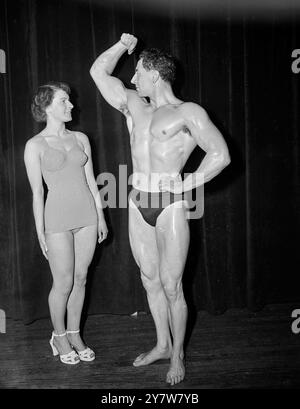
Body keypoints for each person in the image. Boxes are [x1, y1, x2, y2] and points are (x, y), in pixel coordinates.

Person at [90, 33, 230, 385]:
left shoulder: (188, 112)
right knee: (149, 280)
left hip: (169, 204)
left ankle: (179, 353)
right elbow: (98, 72)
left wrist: (187, 183)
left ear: (155, 73)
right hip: (138, 199)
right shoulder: (133, 104)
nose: (132, 78)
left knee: (172, 286)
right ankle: (162, 344)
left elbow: (220, 154)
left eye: (137, 72)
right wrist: (123, 46)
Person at [24, 82, 108, 365]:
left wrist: (101, 216)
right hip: (57, 218)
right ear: (47, 106)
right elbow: (37, 193)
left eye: (69, 100)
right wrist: (40, 232)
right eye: (63, 101)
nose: (70, 105)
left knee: (81, 278)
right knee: (63, 282)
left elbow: (91, 182)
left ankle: (74, 333)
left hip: (86, 216)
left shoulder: (81, 138)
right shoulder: (34, 145)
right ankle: (58, 336)